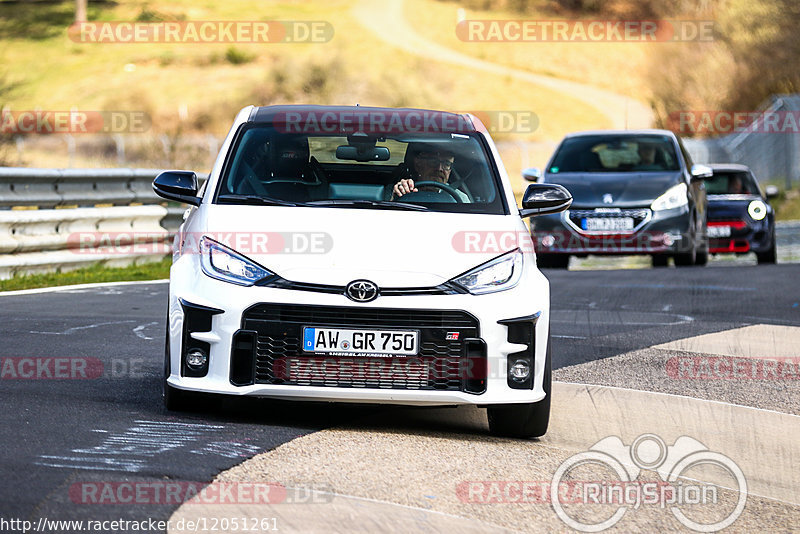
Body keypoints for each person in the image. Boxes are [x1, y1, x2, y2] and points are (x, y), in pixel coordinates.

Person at [392, 146, 469, 202]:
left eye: (446, 164)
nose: (439, 169)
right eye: (433, 162)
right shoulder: (400, 190)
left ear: (450, 170)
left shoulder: (460, 198)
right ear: (418, 164)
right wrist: (395, 198)